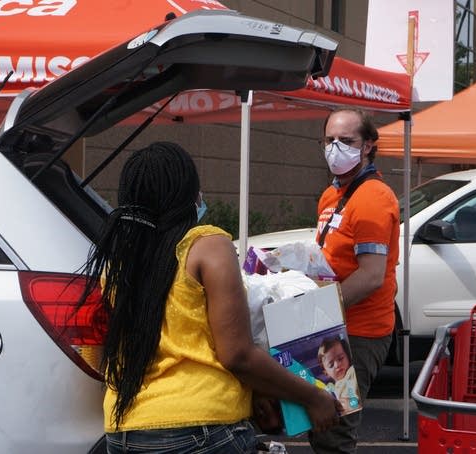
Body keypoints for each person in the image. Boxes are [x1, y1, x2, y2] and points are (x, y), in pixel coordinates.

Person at [77, 141, 341, 454]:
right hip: (201, 432)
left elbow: (99, 355)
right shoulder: (206, 245)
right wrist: (314, 398)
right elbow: (237, 355)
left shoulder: (120, 261)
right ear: (186, 194)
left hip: (125, 434)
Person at [312, 108, 400, 454]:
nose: (335, 148)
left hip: (358, 335)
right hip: (332, 327)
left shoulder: (373, 198)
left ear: (367, 146)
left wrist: (316, 307)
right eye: (329, 140)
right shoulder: (331, 195)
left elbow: (370, 276)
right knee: (320, 422)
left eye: (346, 141)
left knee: (335, 430)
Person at [317, 337, 361, 416]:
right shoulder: (332, 387)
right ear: (326, 372)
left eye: (340, 359)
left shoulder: (350, 373)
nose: (337, 365)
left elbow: (353, 403)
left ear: (347, 356)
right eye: (331, 365)